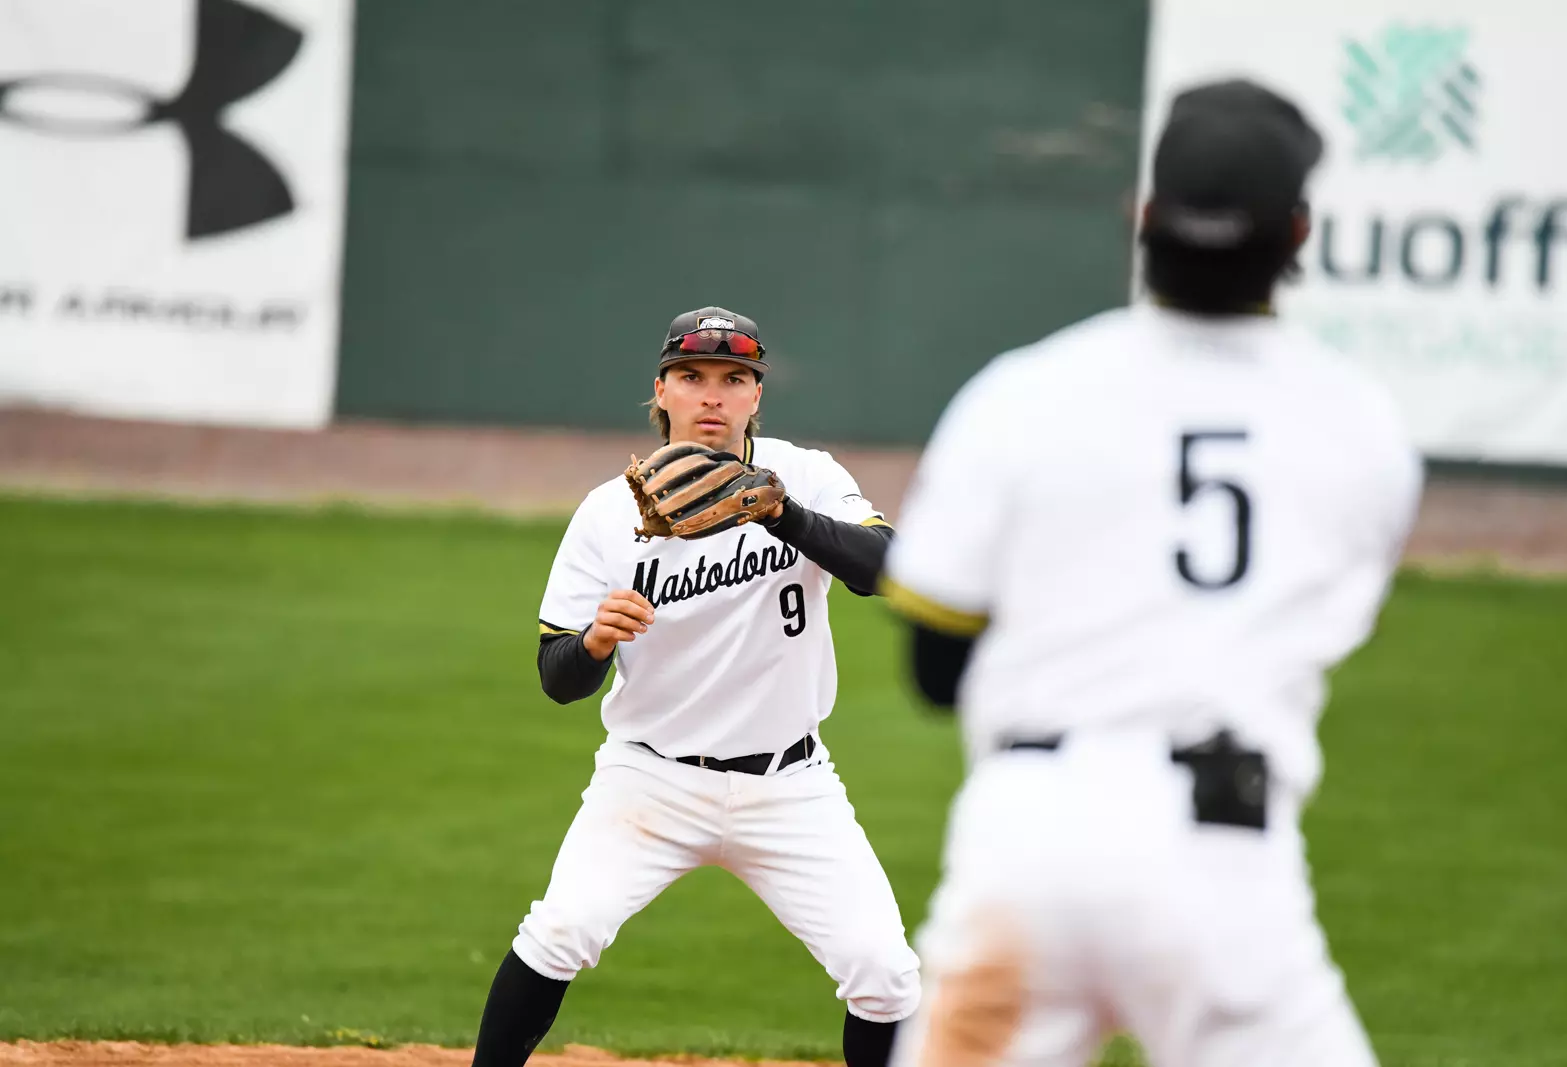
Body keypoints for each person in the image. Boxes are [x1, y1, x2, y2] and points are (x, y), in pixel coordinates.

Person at [879, 80, 1422, 1067]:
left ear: (1140, 216)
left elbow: (934, 665)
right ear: (1297, 232)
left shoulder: (1022, 391)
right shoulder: (1359, 425)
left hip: (1024, 845)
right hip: (1222, 858)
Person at [469, 307, 920, 1067]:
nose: (712, 394)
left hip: (791, 784)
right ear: (662, 390)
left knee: (885, 973)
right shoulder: (609, 511)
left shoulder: (803, 474)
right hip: (651, 779)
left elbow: (886, 568)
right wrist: (594, 642)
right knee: (560, 930)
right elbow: (557, 676)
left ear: (755, 396)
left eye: (732, 379)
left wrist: (781, 512)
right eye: (692, 376)